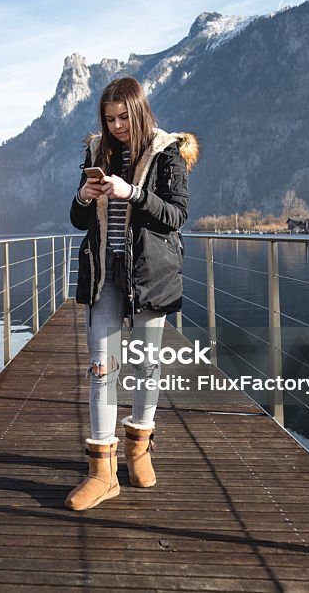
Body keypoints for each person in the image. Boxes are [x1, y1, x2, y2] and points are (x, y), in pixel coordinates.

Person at [66, 76, 198, 511]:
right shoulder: (96, 151)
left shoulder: (168, 152)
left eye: (123, 117)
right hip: (105, 274)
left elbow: (175, 216)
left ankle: (138, 448)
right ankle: (102, 474)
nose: (117, 126)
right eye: (109, 119)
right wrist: (84, 197)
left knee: (146, 365)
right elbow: (78, 221)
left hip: (150, 274)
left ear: (139, 111)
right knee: (101, 368)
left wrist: (133, 193)